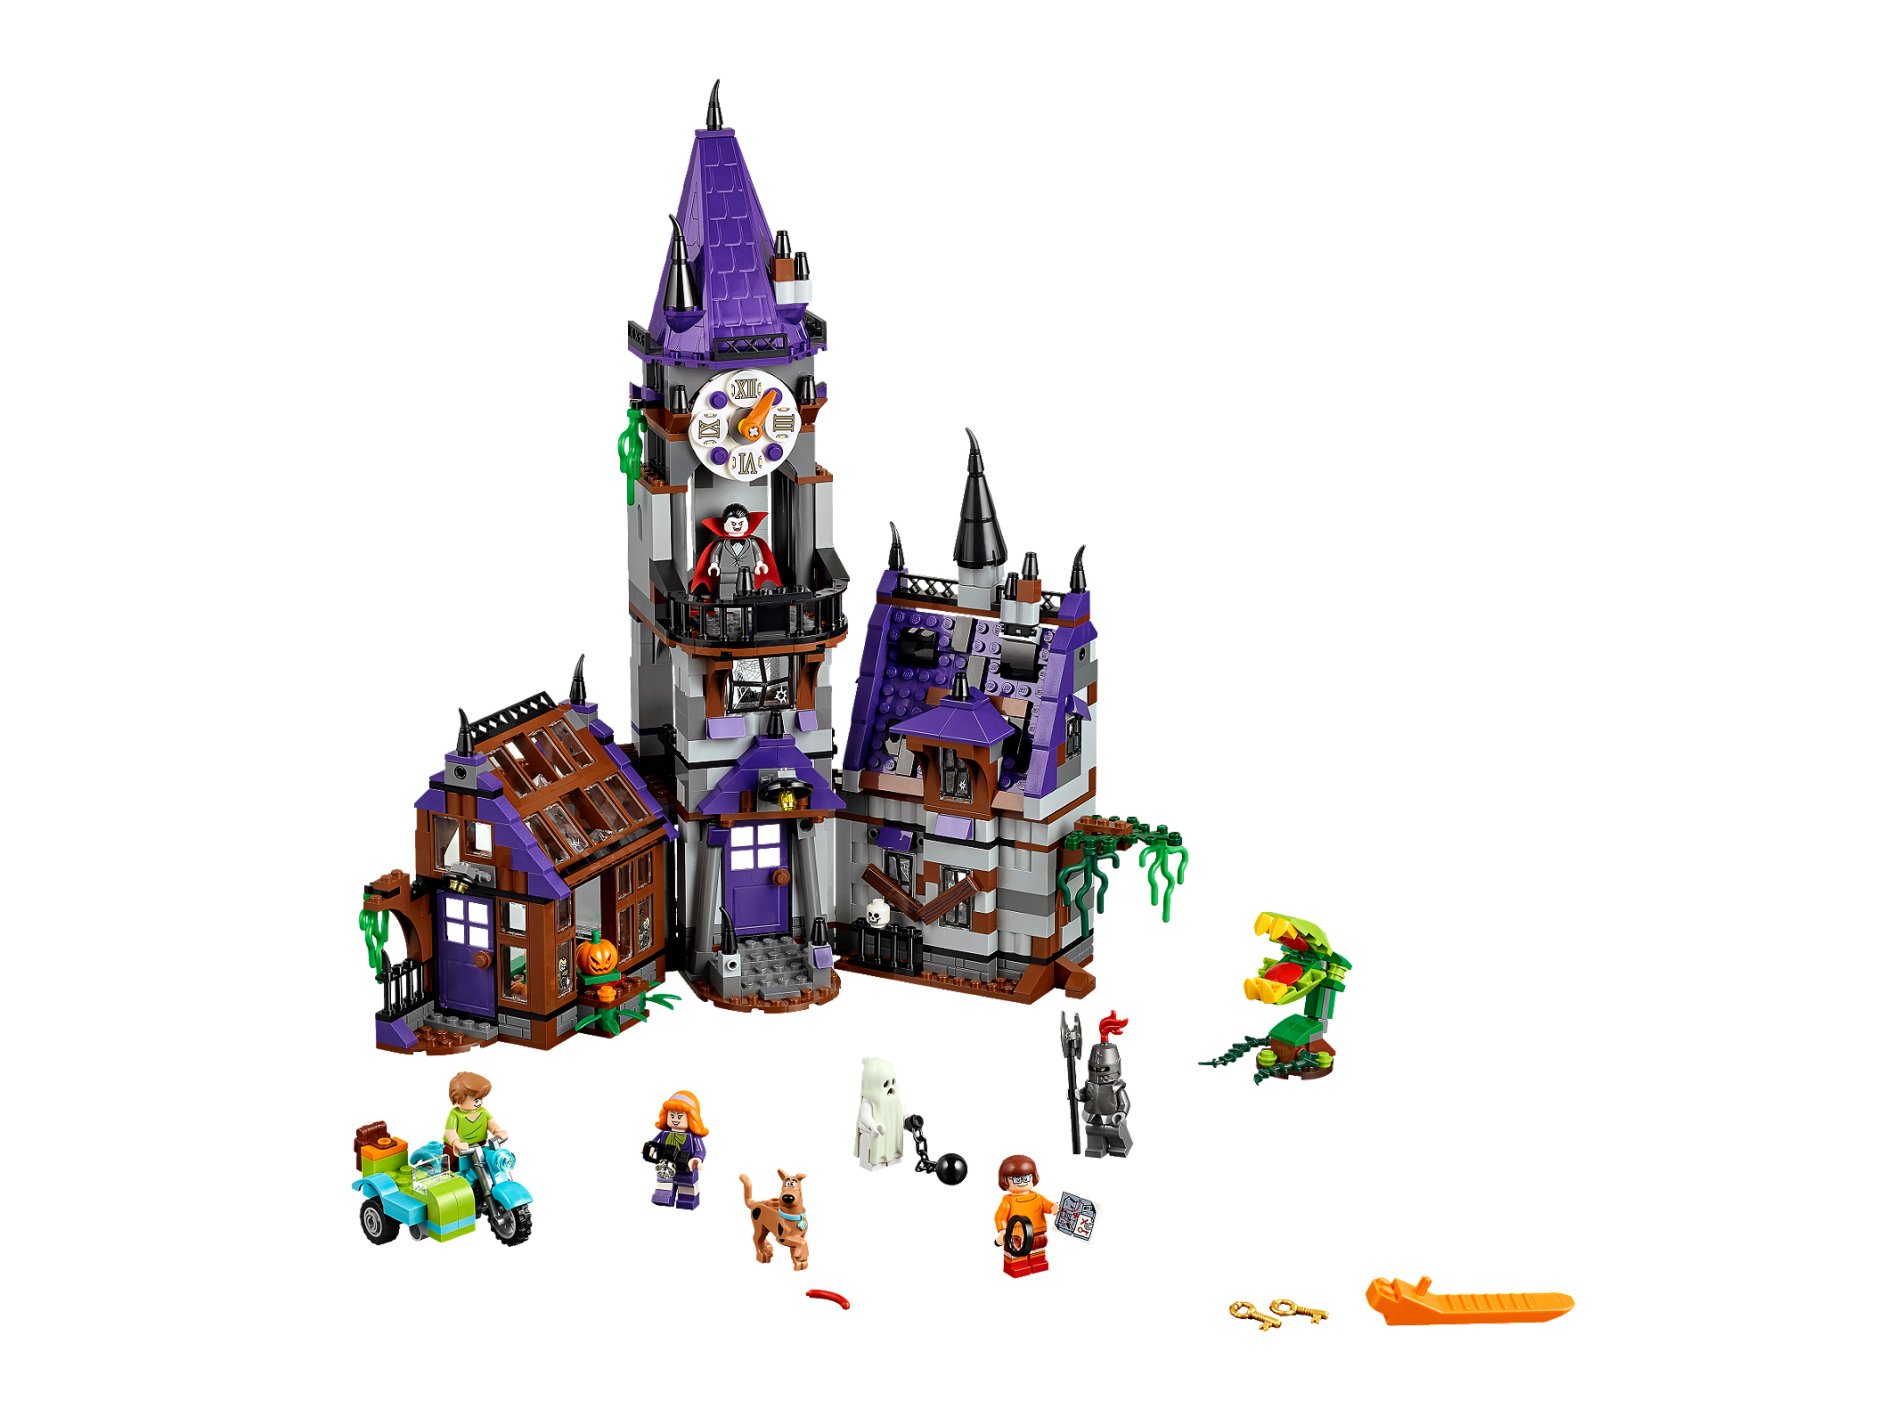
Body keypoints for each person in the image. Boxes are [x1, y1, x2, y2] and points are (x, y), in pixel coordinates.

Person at [992, 1154, 1057, 1277]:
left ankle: (1038, 1263)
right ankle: (1017, 1266)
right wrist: (1003, 1232)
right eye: (1017, 1179)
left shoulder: (1038, 1197)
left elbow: (1047, 1206)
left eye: (1026, 1178)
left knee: (1038, 1250)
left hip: (1038, 1233)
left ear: (1033, 1177)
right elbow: (1000, 1218)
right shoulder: (1008, 1202)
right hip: (1017, 1235)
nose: (1022, 1182)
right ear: (1005, 1180)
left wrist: (1054, 1208)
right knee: (1016, 1254)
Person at [648, 1090, 710, 1210]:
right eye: (672, 1115)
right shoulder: (664, 1133)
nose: (675, 1119)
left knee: (687, 1188)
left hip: (686, 1168)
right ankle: (663, 1197)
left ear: (692, 1118)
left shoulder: (693, 1137)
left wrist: (697, 1159)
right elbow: (654, 1143)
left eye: (680, 1116)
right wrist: (650, 1148)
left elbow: (700, 1150)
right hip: (665, 1167)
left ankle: (687, 1200)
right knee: (664, 1185)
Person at [443, 1071, 506, 1175]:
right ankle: (448, 1177)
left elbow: (491, 1123)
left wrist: (497, 1131)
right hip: (458, 1149)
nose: (479, 1102)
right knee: (453, 1166)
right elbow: (450, 1132)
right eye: (476, 1099)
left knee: (484, 1164)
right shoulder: (455, 1114)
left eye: (480, 1099)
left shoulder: (483, 1112)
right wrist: (456, 1142)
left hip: (479, 1146)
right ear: (459, 1098)